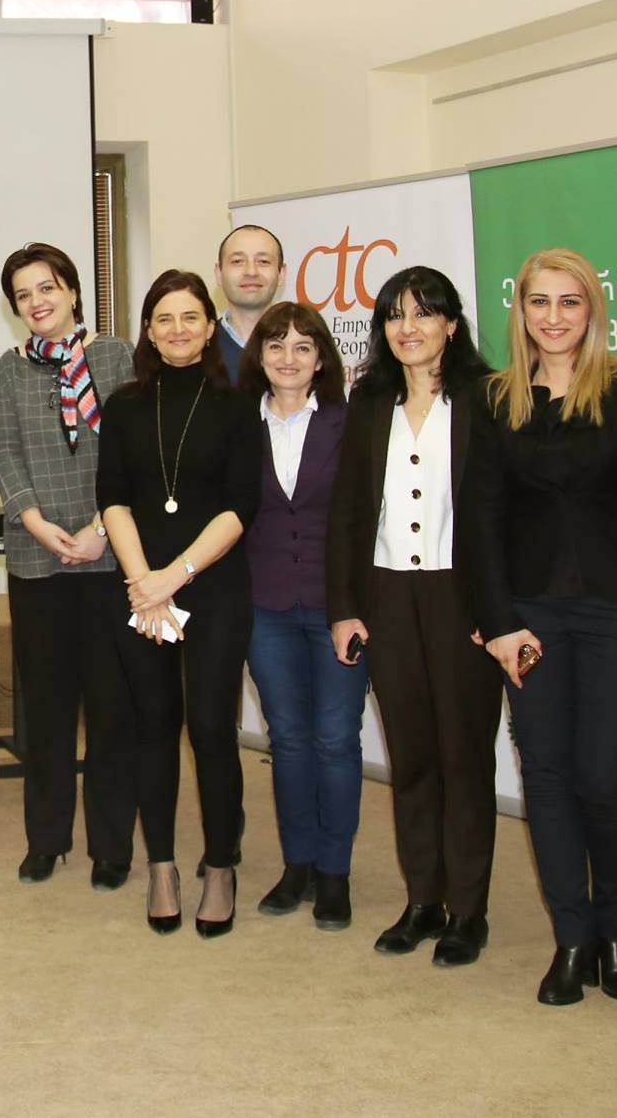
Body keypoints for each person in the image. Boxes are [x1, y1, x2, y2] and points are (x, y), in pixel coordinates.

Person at [461, 247, 617, 1006]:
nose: (553, 317)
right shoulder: (494, 397)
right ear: (519, 311)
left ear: (592, 310)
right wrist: (496, 622)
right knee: (548, 776)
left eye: (569, 302)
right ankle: (573, 938)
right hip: (532, 618)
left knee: (606, 778)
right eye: (539, 302)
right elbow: (482, 519)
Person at [326, 266, 498, 966]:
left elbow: (509, 514)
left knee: (465, 756)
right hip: (389, 596)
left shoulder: (488, 398)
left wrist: (499, 609)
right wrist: (344, 608)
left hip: (464, 599)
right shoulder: (368, 401)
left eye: (424, 313)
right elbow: (347, 511)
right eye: (395, 315)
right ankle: (424, 898)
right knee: (413, 755)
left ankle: (469, 910)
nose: (409, 327)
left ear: (451, 325)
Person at [97, 269, 260, 937]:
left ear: (209, 325)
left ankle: (220, 865)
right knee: (154, 727)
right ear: (148, 329)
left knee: (213, 730)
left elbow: (240, 506)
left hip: (214, 587)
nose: (178, 329)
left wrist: (176, 575)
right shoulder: (125, 404)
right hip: (142, 591)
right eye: (164, 318)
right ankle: (161, 864)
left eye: (191, 316)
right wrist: (145, 582)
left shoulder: (237, 404)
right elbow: (113, 497)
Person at [0, 243, 137, 888]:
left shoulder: (116, 356)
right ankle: (46, 839)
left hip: (111, 554)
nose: (37, 302)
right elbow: (5, 453)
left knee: (112, 710)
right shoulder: (7, 371)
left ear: (73, 291)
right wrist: (34, 521)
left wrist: (101, 528)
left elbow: (132, 449)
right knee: (45, 712)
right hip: (37, 559)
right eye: (23, 295)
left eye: (47, 287)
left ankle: (111, 847)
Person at [238, 302, 357, 928]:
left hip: (340, 609)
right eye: (276, 345)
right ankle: (298, 865)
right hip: (265, 608)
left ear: (321, 360)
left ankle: (334, 872)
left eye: (303, 347)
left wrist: (356, 604)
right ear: (259, 356)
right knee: (287, 739)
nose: (289, 358)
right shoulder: (239, 425)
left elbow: (365, 519)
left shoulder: (349, 423)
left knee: (336, 740)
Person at [213, 223, 285, 382]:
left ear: (281, 274)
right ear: (219, 273)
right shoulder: (200, 347)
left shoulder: (304, 347)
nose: (251, 271)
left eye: (263, 261)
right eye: (238, 261)